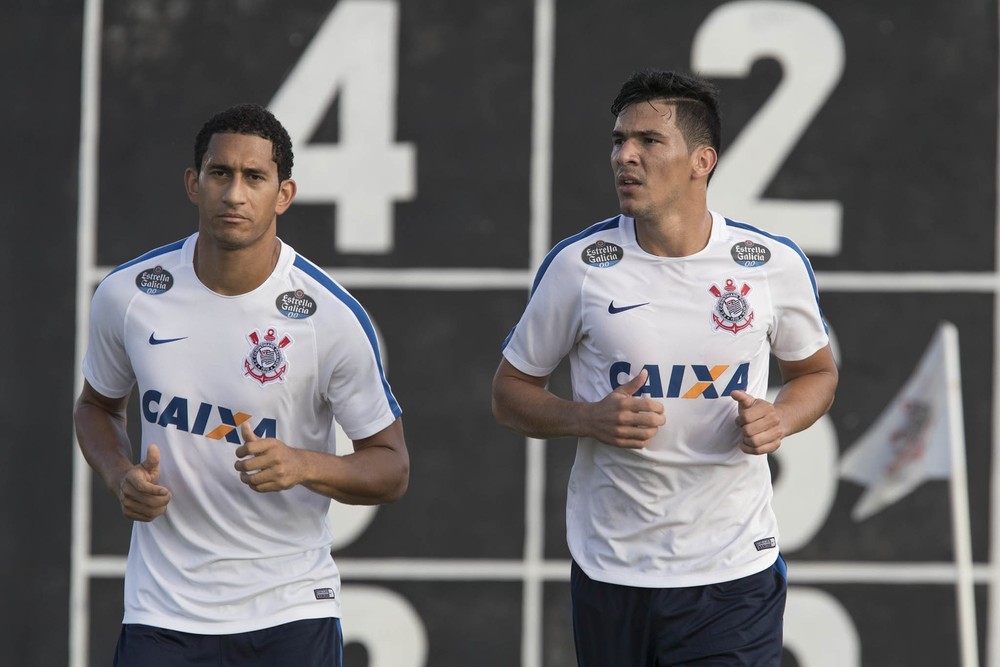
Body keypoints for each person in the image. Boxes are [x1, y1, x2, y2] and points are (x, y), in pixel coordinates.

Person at [492, 69, 838, 665]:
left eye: (649, 141)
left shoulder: (771, 264)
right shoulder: (579, 266)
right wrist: (586, 417)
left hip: (732, 573)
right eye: (618, 140)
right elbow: (509, 392)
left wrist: (781, 418)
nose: (625, 156)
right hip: (612, 571)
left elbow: (817, 374)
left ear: (702, 160)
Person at [74, 103, 409, 667]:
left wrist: (304, 465)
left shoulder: (328, 317)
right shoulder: (128, 294)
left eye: (254, 177)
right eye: (219, 173)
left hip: (289, 613)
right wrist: (118, 475)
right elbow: (96, 407)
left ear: (284, 194)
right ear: (192, 183)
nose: (234, 193)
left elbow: (392, 467)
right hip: (163, 612)